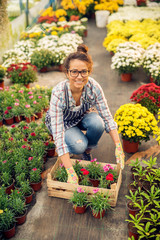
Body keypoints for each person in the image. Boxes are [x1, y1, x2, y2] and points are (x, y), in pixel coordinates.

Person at [45, 44, 125, 184]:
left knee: (98, 123)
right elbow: (58, 134)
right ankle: (76, 146)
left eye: (84, 72)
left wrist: (118, 146)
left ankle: (87, 152)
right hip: (63, 123)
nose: (79, 77)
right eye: (74, 72)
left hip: (80, 117)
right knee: (78, 145)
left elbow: (107, 116)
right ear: (67, 72)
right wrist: (70, 171)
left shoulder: (93, 87)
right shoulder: (59, 93)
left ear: (89, 71)